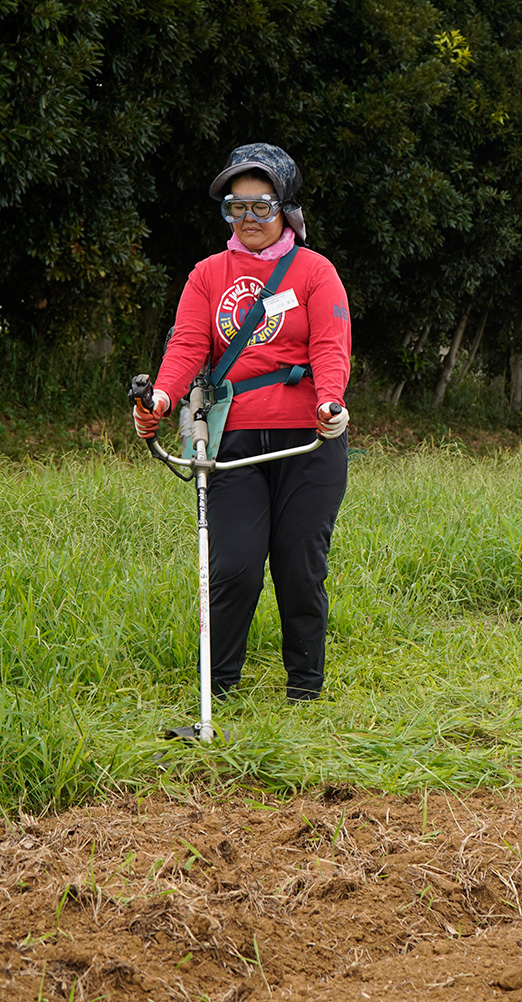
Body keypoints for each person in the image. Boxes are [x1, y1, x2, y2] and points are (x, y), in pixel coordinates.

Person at [132, 143, 352, 702]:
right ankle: (219, 686)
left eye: (261, 205)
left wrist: (330, 402)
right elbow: (186, 345)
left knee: (300, 569)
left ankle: (304, 691)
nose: (249, 218)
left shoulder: (314, 271)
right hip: (231, 438)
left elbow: (331, 344)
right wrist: (160, 397)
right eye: (236, 206)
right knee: (233, 568)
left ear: (285, 207)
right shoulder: (208, 274)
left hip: (308, 442)